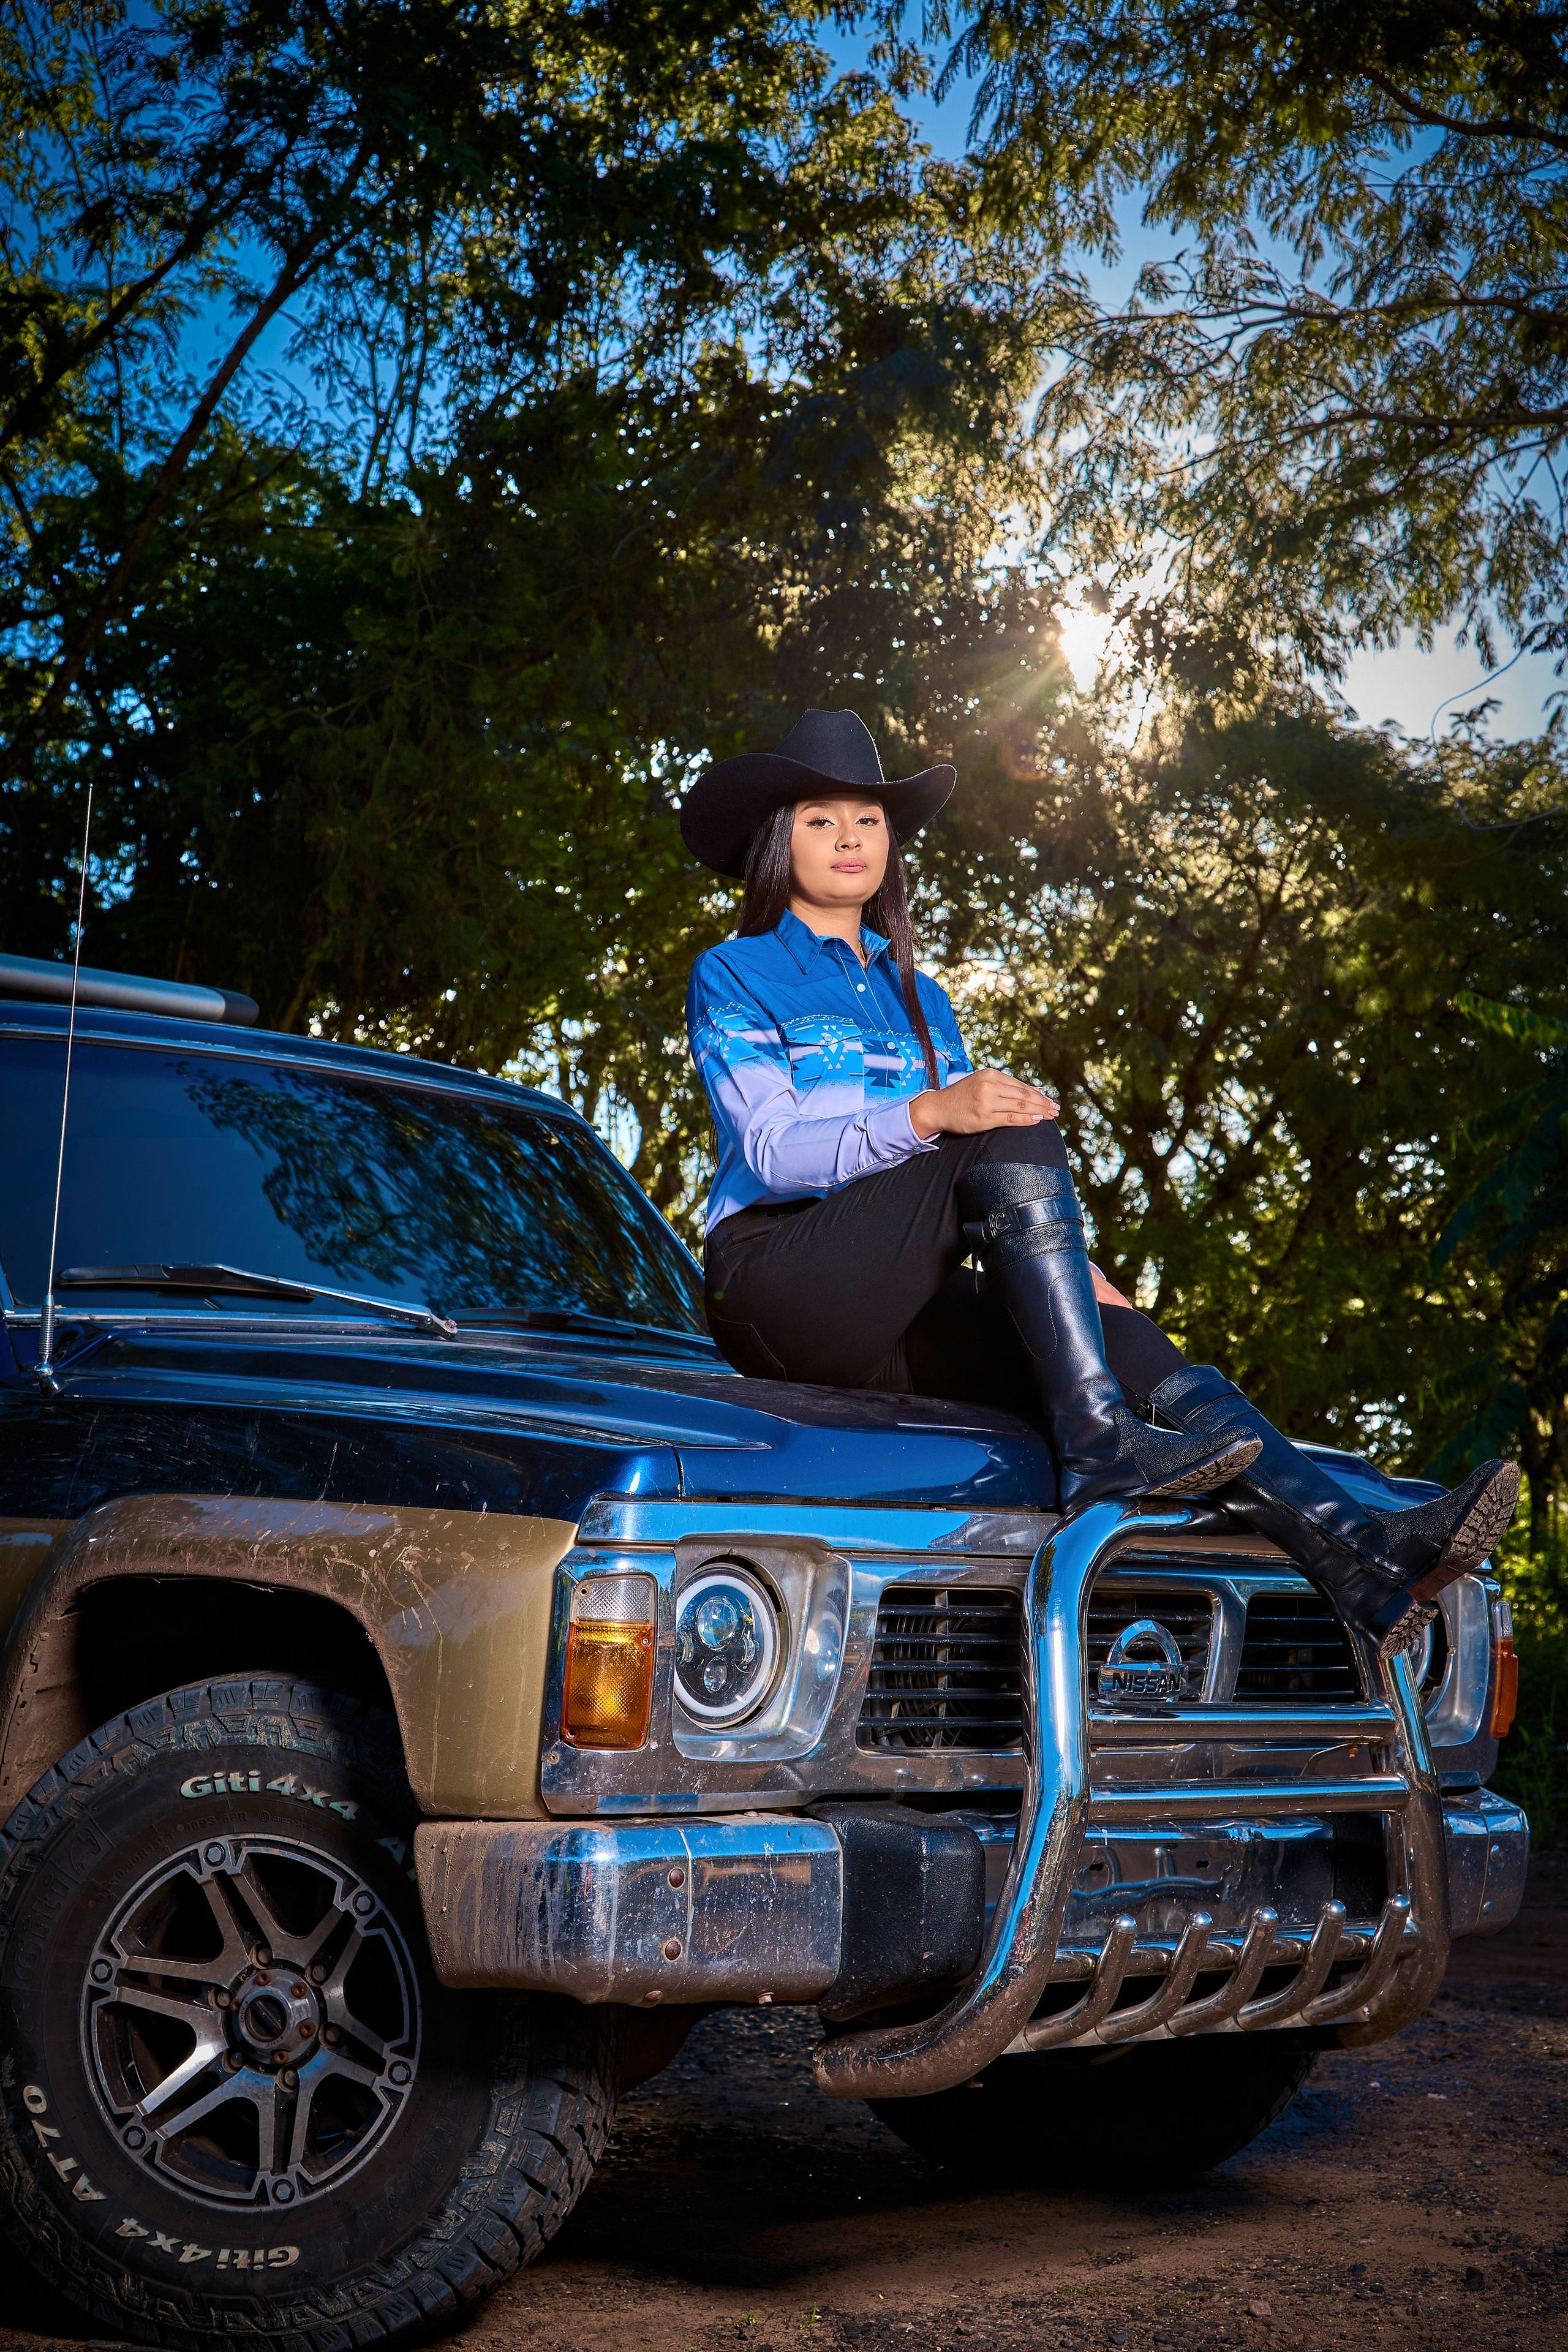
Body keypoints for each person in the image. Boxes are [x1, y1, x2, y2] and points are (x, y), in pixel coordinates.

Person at [679, 709, 1520, 1660]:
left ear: (890, 847)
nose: (850, 839)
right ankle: (1098, 1448)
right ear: (777, 842)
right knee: (1005, 1118)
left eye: (868, 820)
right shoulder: (736, 971)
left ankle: (1365, 1557)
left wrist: (1074, 1269)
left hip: (900, 1302)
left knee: (1119, 1333)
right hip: (780, 1285)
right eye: (822, 819)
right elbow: (775, 1148)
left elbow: (974, 1181)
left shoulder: (922, 999)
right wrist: (931, 1114)